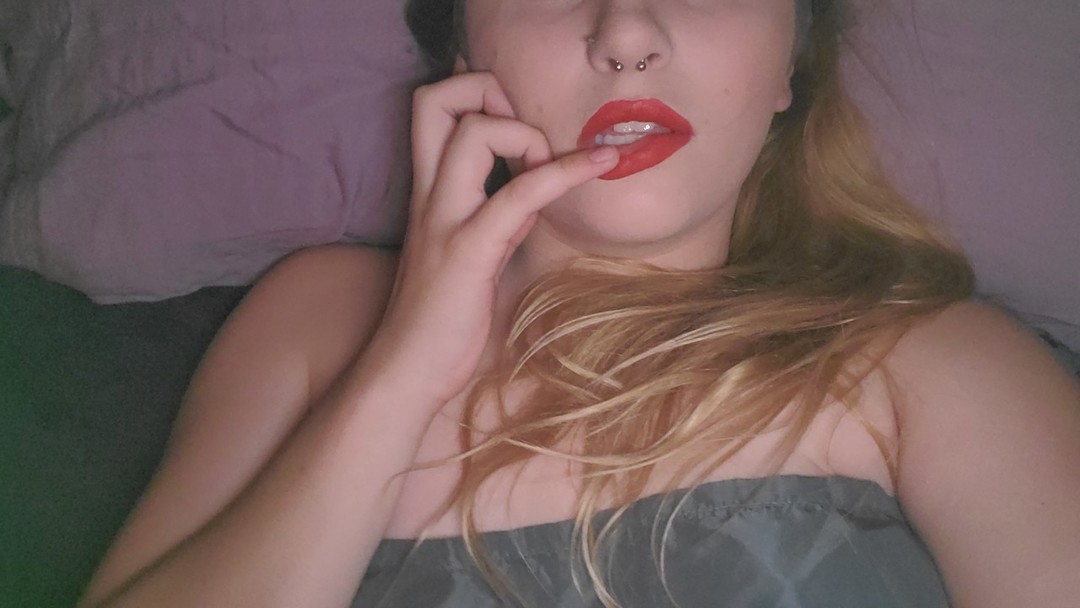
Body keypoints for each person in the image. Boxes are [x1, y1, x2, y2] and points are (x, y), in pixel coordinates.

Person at [79, 0, 1080, 606]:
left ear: (791, 64)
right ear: (465, 55)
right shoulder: (316, 318)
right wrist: (401, 374)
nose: (628, 33)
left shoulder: (939, 359)